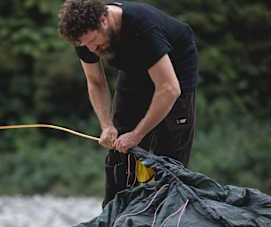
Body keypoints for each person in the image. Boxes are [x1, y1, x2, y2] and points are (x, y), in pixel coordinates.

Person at [58, 0, 198, 207]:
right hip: (134, 70)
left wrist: (138, 134)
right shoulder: (85, 38)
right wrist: (106, 125)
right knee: (120, 152)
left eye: (93, 42)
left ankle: (164, 224)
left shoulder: (142, 27)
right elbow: (96, 82)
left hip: (174, 73)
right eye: (84, 45)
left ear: (104, 20)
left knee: (168, 159)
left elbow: (169, 89)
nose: (91, 49)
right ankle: (115, 222)